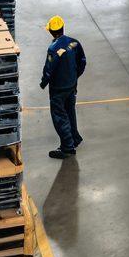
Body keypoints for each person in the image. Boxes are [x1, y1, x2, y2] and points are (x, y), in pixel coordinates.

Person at [40, 15, 86, 159]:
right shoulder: (74, 43)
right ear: (62, 28)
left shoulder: (53, 49)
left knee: (60, 116)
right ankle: (74, 138)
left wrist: (44, 82)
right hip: (71, 86)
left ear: (51, 32)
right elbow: (82, 62)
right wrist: (74, 76)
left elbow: (49, 69)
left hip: (58, 89)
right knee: (70, 112)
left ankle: (67, 147)